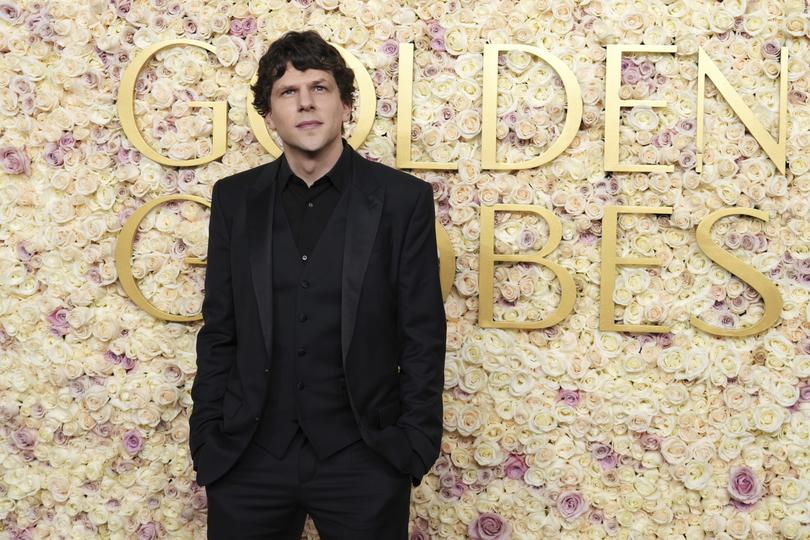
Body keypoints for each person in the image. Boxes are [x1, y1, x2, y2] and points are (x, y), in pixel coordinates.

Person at [188, 30, 447, 539]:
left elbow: (422, 333)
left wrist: (411, 447)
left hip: (364, 460)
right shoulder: (235, 200)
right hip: (249, 459)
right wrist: (208, 440)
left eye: (320, 88)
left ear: (346, 104)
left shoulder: (402, 200)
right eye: (288, 92)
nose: (305, 103)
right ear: (269, 115)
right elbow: (220, 328)